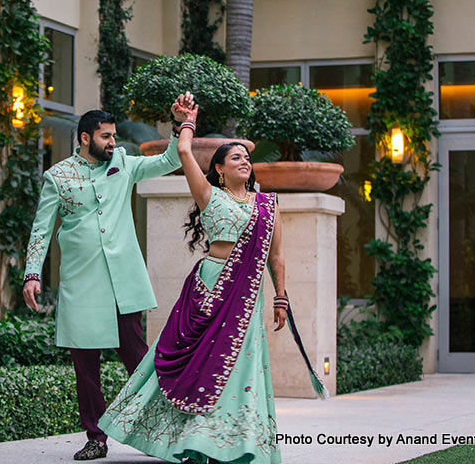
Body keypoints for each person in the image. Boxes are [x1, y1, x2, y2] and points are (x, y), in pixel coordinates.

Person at [98, 92, 326, 463]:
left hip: (247, 297)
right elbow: (185, 154)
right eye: (236, 157)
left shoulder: (268, 205)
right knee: (193, 363)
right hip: (209, 287)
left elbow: (276, 256)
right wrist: (185, 121)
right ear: (219, 168)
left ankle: (233, 442)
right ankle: (188, 439)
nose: (245, 162)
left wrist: (281, 296)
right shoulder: (208, 195)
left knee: (240, 367)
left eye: (248, 158)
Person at [22, 102, 192, 461]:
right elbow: (41, 229)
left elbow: (169, 162)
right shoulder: (59, 176)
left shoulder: (124, 164)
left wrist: (181, 125)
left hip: (122, 283)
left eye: (114, 135)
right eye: (106, 136)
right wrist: (33, 274)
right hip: (81, 286)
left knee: (140, 363)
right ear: (86, 138)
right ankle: (95, 438)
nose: (114, 141)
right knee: (86, 369)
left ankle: (165, 430)